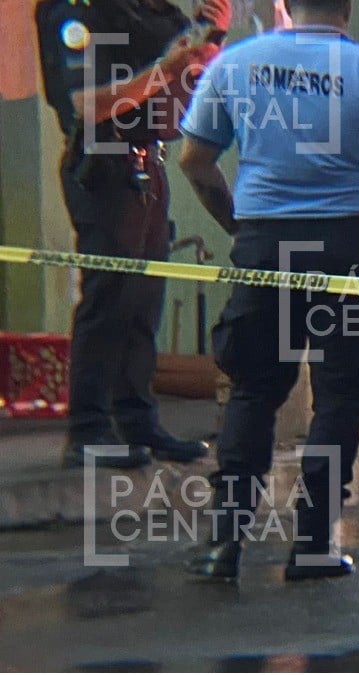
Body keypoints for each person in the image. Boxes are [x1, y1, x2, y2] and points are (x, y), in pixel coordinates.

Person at [178, 0, 359, 581]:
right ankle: (314, 542)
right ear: (347, 9)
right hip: (349, 249)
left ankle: (225, 543)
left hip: (266, 246)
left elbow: (195, 161)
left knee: (253, 390)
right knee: (341, 398)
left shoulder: (235, 64)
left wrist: (239, 224)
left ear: (285, 7)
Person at [35, 0, 232, 469]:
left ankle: (136, 419)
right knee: (109, 298)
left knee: (144, 301)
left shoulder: (155, 14)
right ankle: (88, 429)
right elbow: (88, 104)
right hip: (103, 166)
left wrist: (212, 40)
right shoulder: (76, 13)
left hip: (149, 165)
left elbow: (191, 87)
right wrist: (166, 69)